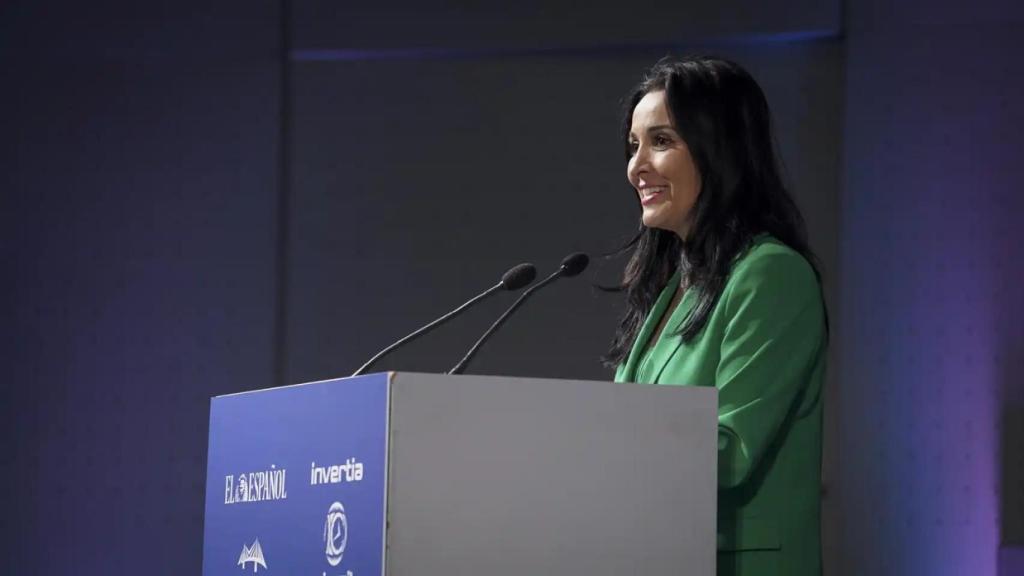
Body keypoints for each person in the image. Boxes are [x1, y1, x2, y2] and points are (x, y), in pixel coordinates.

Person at [608, 56, 828, 576]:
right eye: (633, 145)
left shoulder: (770, 274)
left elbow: (728, 453)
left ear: (720, 150)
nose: (635, 167)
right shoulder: (671, 289)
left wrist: (582, 453)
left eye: (661, 142)